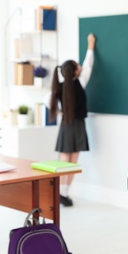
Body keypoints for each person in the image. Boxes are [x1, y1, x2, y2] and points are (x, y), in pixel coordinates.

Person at [49, 33, 96, 207]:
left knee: (63, 161)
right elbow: (88, 64)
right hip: (77, 125)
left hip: (65, 125)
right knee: (72, 162)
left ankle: (61, 193)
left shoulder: (59, 88)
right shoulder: (81, 82)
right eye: (77, 65)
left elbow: (48, 101)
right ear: (75, 71)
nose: (80, 66)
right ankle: (64, 193)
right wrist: (90, 46)